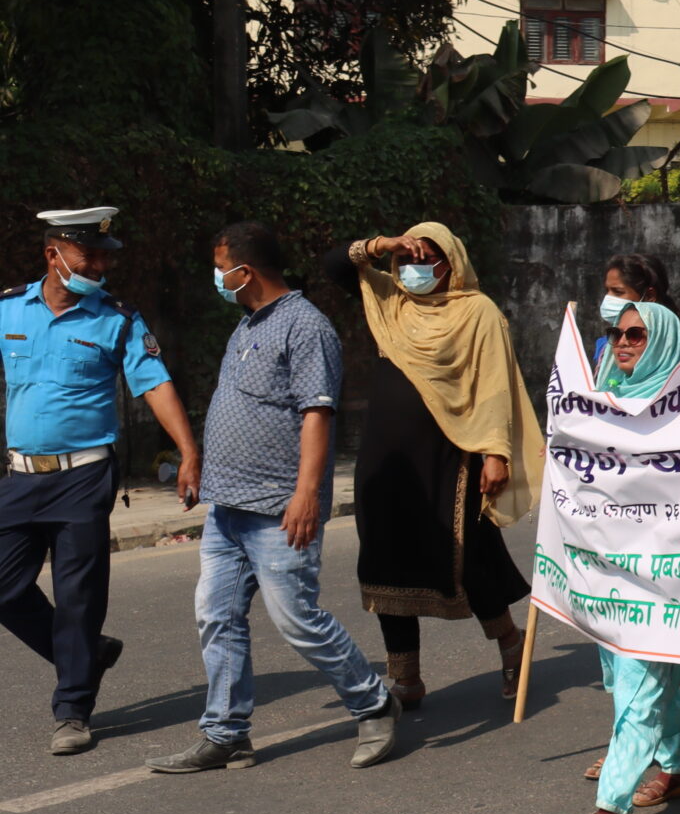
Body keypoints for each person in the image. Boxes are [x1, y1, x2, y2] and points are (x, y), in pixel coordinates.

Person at [148, 222, 398, 774]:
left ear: (246, 271)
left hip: (278, 508)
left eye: (221, 268)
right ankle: (225, 731)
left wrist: (307, 494)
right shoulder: (246, 325)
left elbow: (317, 414)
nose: (217, 278)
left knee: (297, 621)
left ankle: (374, 701)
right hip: (228, 508)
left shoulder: (306, 327)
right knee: (216, 617)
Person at [1, 207, 199, 756]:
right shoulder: (8, 308)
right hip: (19, 475)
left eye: (105, 256)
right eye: (89, 254)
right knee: (5, 585)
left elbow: (154, 385)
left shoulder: (117, 318)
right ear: (53, 254)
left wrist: (187, 451)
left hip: (84, 475)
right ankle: (88, 650)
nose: (99, 265)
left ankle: (72, 709)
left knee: (78, 597)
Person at [335, 225, 540, 710]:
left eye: (427, 259)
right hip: (386, 463)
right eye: (408, 259)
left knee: (466, 559)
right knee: (385, 563)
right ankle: (406, 679)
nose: (415, 269)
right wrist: (382, 245)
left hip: (452, 454)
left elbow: (493, 384)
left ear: (452, 263)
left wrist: (496, 452)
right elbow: (333, 266)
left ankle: (512, 645)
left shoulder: (478, 312)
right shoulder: (390, 302)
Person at [570, 300, 680, 814]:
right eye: (617, 334)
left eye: (637, 335)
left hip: (663, 577)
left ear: (664, 341)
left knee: (638, 688)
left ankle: (612, 805)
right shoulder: (599, 404)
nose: (622, 343)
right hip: (606, 573)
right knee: (623, 679)